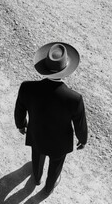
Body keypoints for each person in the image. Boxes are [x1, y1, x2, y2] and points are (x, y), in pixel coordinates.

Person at [14, 42, 88, 194]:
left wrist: (21, 125)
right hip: (59, 143)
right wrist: (83, 139)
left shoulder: (27, 87)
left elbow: (20, 110)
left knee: (37, 157)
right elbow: (80, 123)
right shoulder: (74, 98)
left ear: (44, 69)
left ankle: (37, 177)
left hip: (36, 135)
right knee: (56, 166)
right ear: (67, 70)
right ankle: (48, 188)